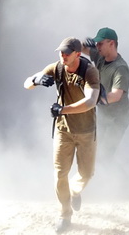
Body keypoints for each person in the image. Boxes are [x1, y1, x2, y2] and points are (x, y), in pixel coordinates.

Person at [24, 36, 100, 233]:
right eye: (61, 52)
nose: (63, 55)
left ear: (77, 53)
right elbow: (26, 83)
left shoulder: (89, 71)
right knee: (60, 174)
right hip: (63, 130)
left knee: (86, 174)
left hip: (85, 131)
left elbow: (90, 101)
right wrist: (36, 80)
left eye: (67, 53)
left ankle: (74, 192)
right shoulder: (57, 68)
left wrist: (62, 109)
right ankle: (65, 214)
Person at [86, 27, 129, 159]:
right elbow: (83, 50)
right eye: (96, 43)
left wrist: (93, 99)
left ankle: (109, 177)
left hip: (118, 119)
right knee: (93, 148)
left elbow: (116, 95)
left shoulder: (120, 68)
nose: (97, 46)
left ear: (111, 43)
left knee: (104, 154)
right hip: (104, 115)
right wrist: (82, 44)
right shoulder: (101, 58)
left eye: (100, 43)